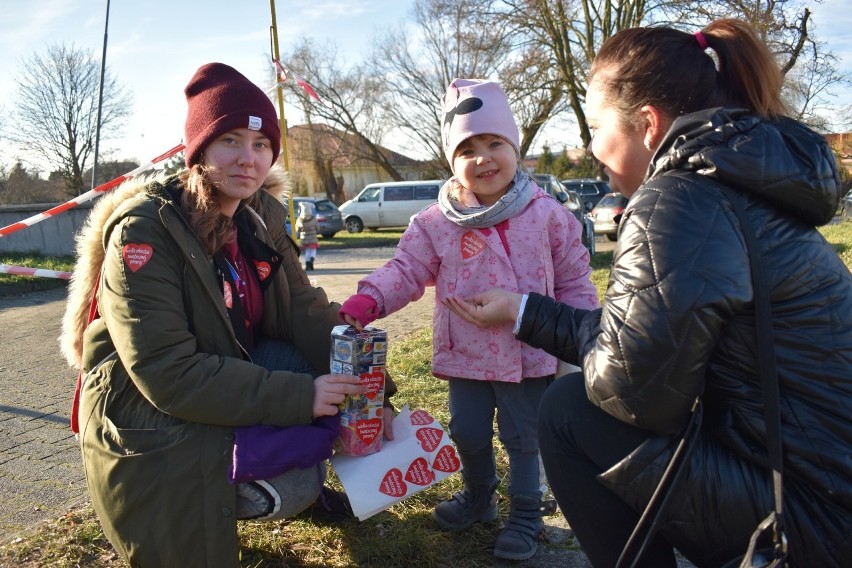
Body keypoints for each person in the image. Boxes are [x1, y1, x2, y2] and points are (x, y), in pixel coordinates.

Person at [444, 19, 852, 568]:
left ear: (648, 124)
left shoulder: (677, 200)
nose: (590, 147)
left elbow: (634, 395)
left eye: (595, 125)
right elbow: (642, 346)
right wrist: (523, 311)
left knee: (568, 411)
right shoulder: (739, 182)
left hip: (809, 521)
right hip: (822, 487)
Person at [59, 62, 396, 567]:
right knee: (297, 479)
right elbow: (166, 373)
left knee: (327, 376)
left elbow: (304, 310)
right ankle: (239, 491)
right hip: (147, 413)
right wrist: (302, 397)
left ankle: (261, 463)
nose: (248, 158)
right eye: (230, 141)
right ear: (199, 152)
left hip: (220, 374)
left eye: (261, 146)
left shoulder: (258, 215)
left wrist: (374, 388)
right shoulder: (145, 233)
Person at [339, 78, 600, 561]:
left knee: (525, 437)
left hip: (530, 353)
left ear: (515, 148)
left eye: (495, 143)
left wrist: (583, 340)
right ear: (451, 161)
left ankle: (526, 513)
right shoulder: (435, 223)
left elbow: (574, 281)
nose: (483, 158)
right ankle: (479, 496)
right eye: (468, 148)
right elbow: (407, 270)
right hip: (465, 355)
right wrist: (370, 298)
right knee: (468, 430)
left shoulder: (548, 216)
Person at [296, 200, 319, 270]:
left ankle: (307, 265)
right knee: (313, 251)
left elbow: (297, 229)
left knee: (307, 251)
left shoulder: (299, 219)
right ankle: (311, 263)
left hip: (304, 239)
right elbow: (317, 227)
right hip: (313, 238)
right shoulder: (313, 219)